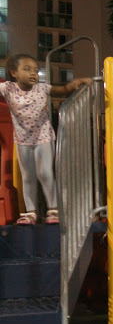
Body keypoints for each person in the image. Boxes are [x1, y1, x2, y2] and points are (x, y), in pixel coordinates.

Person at [0, 53, 92, 224]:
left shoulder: (42, 89)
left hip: (44, 136)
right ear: (14, 73)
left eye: (36, 70)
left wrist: (75, 83)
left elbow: (63, 90)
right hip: (22, 140)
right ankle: (30, 212)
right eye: (27, 69)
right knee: (28, 176)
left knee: (45, 173)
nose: (33, 73)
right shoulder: (8, 88)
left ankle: (53, 210)